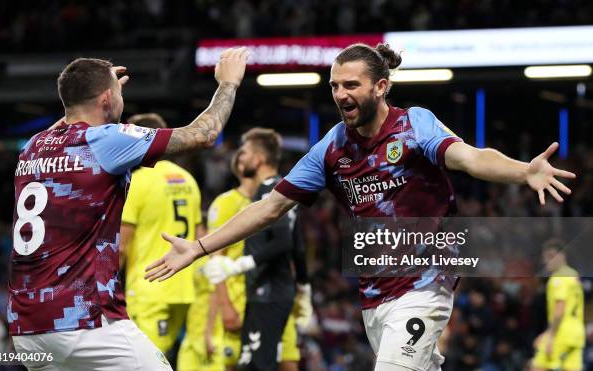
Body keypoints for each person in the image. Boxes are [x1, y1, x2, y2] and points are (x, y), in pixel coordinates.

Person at [145, 43, 575, 371]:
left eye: (351, 85)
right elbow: (271, 207)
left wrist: (523, 171)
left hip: (426, 282)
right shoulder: (332, 147)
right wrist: (200, 247)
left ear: (380, 87)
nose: (340, 94)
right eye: (335, 85)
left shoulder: (414, 124)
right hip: (375, 295)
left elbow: (470, 157)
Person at [8, 47, 249, 370]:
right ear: (107, 99)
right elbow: (204, 134)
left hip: (26, 327)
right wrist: (228, 84)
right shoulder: (107, 139)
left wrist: (89, 89)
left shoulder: (33, 146)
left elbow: (69, 120)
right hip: (83, 321)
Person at [204, 128, 308, 371]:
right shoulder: (282, 188)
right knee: (251, 363)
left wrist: (239, 265)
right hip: (265, 292)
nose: (240, 156)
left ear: (259, 158)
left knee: (259, 364)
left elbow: (284, 241)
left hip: (269, 292)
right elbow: (298, 243)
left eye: (246, 152)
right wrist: (304, 287)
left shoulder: (271, 191)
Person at [119, 113, 203, 360]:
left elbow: (121, 246)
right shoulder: (188, 180)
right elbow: (199, 235)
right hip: (184, 288)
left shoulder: (137, 181)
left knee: (143, 362)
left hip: (150, 288)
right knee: (162, 359)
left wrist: (106, 291)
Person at [532, 239, 584, 371]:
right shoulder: (573, 274)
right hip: (577, 333)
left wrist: (550, 335)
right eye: (545, 257)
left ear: (561, 255)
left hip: (561, 332)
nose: (546, 261)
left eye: (550, 257)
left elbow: (559, 309)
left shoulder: (558, 278)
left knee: (537, 367)